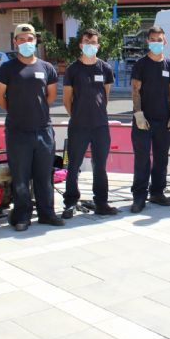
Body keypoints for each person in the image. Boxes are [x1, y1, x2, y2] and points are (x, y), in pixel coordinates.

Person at [0, 23, 64, 231]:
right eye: (21, 39)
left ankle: (46, 213)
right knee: (21, 177)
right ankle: (22, 215)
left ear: (35, 41)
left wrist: (35, 110)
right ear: (15, 42)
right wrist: (17, 111)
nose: (26, 43)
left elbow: (49, 97)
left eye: (29, 39)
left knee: (44, 175)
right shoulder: (7, 69)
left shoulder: (46, 68)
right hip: (18, 132)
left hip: (43, 130)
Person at [61, 29, 119, 218]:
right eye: (87, 42)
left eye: (93, 42)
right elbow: (67, 99)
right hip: (78, 126)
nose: (90, 45)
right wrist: (77, 115)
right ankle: (70, 203)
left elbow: (105, 95)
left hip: (101, 126)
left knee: (100, 166)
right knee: (73, 165)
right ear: (80, 44)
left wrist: (97, 113)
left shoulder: (105, 68)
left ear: (98, 45)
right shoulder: (72, 69)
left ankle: (101, 202)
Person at [130, 26, 170, 213]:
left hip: (163, 120)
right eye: (153, 39)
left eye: (160, 39)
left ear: (164, 41)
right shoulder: (141, 65)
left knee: (161, 159)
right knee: (142, 160)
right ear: (147, 41)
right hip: (144, 120)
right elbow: (135, 90)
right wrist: (138, 113)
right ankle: (139, 196)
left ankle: (157, 192)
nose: (156, 43)